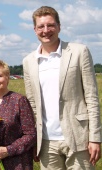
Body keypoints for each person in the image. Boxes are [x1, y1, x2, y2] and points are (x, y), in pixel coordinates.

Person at [23, 6, 102, 170]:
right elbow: (32, 104)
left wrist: (95, 138)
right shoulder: (28, 61)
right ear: (34, 30)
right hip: (46, 142)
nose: (46, 30)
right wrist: (34, 140)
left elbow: (91, 97)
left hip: (79, 138)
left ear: (59, 26)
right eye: (41, 26)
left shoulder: (80, 52)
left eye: (50, 25)